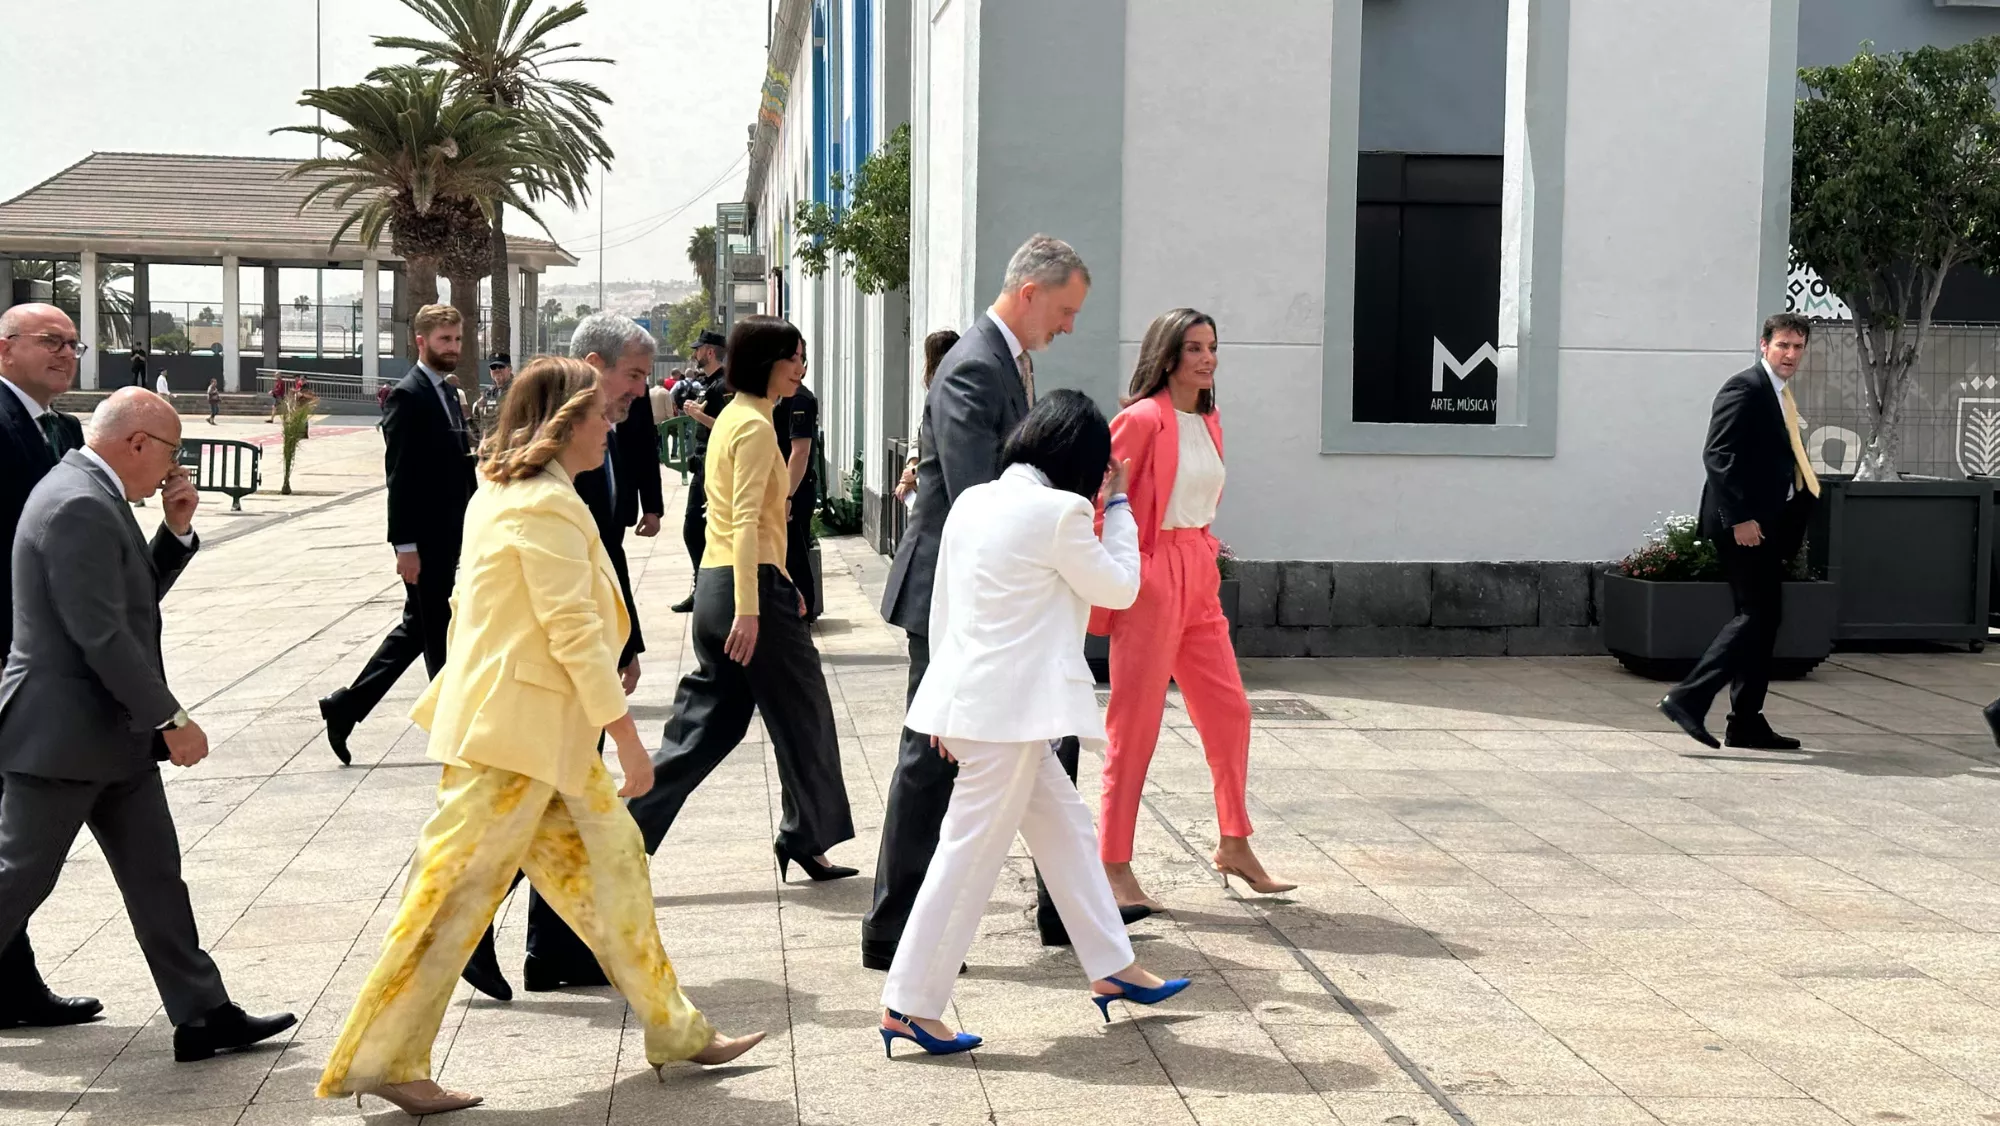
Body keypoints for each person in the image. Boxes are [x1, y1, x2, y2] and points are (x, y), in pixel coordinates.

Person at [312, 358, 763, 1117]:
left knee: (611, 865)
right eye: (600, 417)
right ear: (561, 424)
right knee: (449, 897)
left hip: (534, 735)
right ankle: (382, 1059)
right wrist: (626, 739)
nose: (612, 425)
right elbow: (571, 631)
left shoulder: (512, 492)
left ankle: (677, 1028)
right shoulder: (537, 506)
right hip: (512, 740)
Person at [867, 234, 1150, 971]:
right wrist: (1069, 537)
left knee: (1037, 773)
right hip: (962, 593)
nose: (1069, 326)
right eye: (1064, 309)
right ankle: (897, 933)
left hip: (998, 595)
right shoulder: (973, 366)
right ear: (1029, 292)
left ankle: (1088, 941)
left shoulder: (1007, 363)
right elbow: (976, 498)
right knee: (933, 765)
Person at [880, 391, 1188, 1056]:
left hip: (978, 705)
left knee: (1069, 833)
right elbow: (1120, 589)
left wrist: (944, 701)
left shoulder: (974, 501)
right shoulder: (1064, 511)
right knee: (968, 855)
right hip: (1010, 717)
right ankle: (909, 1003)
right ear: (1082, 461)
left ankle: (1112, 965)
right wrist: (1121, 506)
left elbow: (949, 609)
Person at [0, 387, 296, 1062]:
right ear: (137, 442)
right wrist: (172, 717)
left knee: (156, 875)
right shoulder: (77, 503)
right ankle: (203, 1011)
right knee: (18, 877)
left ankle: (203, 1014)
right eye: (170, 453)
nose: (172, 468)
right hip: (64, 736)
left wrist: (175, 533)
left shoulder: (87, 492)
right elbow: (101, 636)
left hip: (110, 735)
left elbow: (122, 602)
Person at [464, 313, 667, 998]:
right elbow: (556, 590)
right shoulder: (549, 464)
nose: (640, 392)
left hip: (578, 664)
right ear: (592, 365)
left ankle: (554, 950)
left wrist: (627, 637)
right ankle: (474, 931)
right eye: (633, 375)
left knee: (562, 819)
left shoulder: (602, 440)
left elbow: (602, 558)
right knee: (533, 824)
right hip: (543, 678)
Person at [627, 316, 856, 882]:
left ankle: (621, 834)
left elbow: (737, 521)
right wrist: (755, 607)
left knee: (707, 728)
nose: (802, 368)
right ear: (767, 362)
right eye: (794, 357)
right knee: (805, 718)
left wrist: (783, 584)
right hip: (744, 590)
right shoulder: (754, 427)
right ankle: (808, 837)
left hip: (722, 582)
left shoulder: (736, 417)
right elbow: (751, 521)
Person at [1095, 310, 1292, 909]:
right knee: (1135, 724)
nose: (1208, 359)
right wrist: (1129, 573)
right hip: (1154, 573)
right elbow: (1101, 500)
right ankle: (1113, 863)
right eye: (1194, 349)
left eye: (1212, 347)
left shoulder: (1209, 421)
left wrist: (1202, 559)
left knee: (1229, 709)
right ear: (1168, 356)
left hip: (1199, 569)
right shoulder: (1140, 420)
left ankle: (1235, 840)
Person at [318, 306, 478, 766]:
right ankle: (457, 734)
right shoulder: (409, 396)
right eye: (445, 339)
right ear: (421, 341)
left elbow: (456, 461)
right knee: (438, 634)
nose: (453, 348)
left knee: (419, 629)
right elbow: (400, 475)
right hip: (424, 540)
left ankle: (345, 707)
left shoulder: (448, 393)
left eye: (458, 339)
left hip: (451, 533)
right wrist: (404, 546)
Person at [0, 304, 99, 1030]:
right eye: (50, 342)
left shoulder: (58, 428)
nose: (67, 353)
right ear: (4, 350)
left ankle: (13, 984)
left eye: (73, 343)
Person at [1660, 312, 1820, 750]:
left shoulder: (1779, 394)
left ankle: (1746, 720)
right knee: (1756, 615)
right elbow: (1718, 454)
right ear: (1764, 345)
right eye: (1783, 345)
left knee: (1764, 620)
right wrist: (1740, 519)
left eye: (1798, 347)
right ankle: (1689, 697)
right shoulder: (1745, 387)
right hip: (1744, 525)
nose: (1790, 354)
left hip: (1768, 524)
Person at [671, 330, 731, 614]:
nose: (694, 354)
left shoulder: (725, 384)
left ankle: (708, 590)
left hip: (715, 465)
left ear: (709, 351)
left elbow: (728, 427)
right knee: (694, 528)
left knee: (696, 528)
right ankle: (702, 587)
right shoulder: (710, 383)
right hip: (702, 463)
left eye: (698, 350)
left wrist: (698, 415)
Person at [771, 377, 820, 619]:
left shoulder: (799, 398)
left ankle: (805, 613)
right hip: (787, 489)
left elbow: (800, 452)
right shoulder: (783, 397)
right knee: (788, 552)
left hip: (796, 489)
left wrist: (787, 496)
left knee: (795, 554)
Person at [894, 330, 959, 506]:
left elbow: (949, 449)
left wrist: (915, 472)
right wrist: (910, 471)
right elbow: (921, 434)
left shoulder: (953, 396)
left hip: (945, 495)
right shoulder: (936, 393)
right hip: (929, 490)